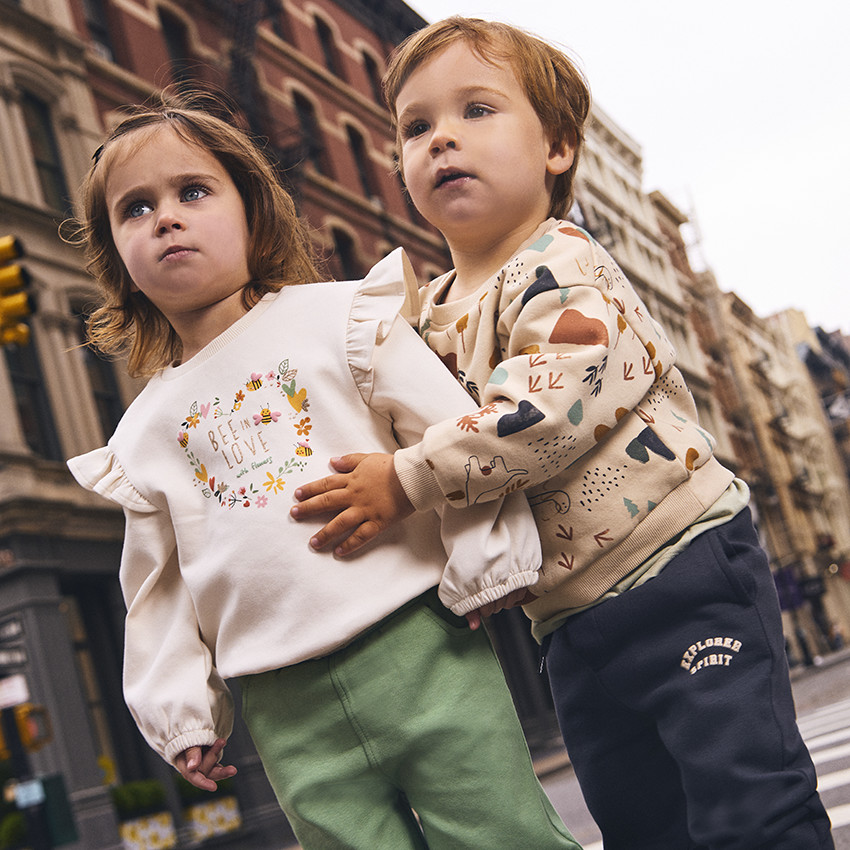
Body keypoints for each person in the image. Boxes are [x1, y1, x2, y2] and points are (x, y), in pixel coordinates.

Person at [290, 17, 835, 849]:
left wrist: (405, 480)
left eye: (476, 110)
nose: (442, 139)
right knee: (640, 825)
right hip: (568, 623)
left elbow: (547, 408)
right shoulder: (426, 316)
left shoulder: (562, 262)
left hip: (681, 568)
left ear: (557, 148)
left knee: (748, 802)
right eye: (416, 125)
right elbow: (429, 431)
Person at [65, 92, 583, 850]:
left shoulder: (338, 320)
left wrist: (488, 556)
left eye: (193, 191)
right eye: (135, 209)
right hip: (281, 703)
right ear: (118, 257)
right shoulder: (140, 434)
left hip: (420, 643)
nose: (165, 216)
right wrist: (180, 711)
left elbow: (442, 427)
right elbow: (156, 589)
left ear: (252, 212)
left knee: (503, 835)